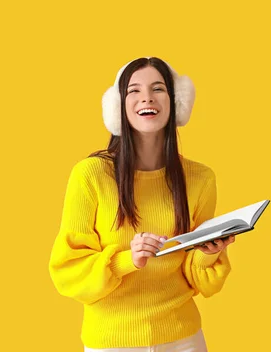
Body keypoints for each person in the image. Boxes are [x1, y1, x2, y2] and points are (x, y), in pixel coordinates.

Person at [48, 57, 235, 352]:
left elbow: (199, 280)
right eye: (134, 91)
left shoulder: (200, 178)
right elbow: (68, 270)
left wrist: (208, 254)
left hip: (183, 339)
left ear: (176, 103)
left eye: (158, 88)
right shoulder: (91, 175)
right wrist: (128, 259)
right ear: (118, 107)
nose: (146, 97)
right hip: (112, 342)